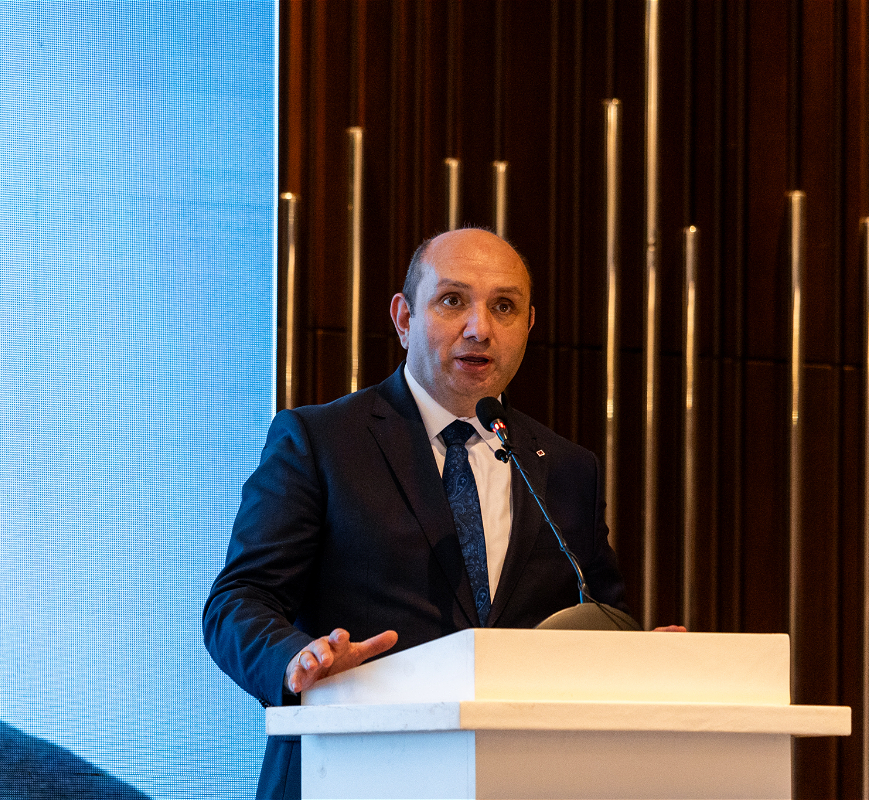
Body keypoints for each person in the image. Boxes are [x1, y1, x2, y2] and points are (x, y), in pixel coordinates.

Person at [203, 228, 678, 800]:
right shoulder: (320, 440)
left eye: (504, 307)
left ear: (529, 325)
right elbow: (239, 600)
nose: (480, 328)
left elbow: (598, 616)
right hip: (349, 769)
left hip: (518, 777)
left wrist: (641, 655)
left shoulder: (567, 467)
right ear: (403, 318)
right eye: (453, 300)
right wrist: (295, 661)